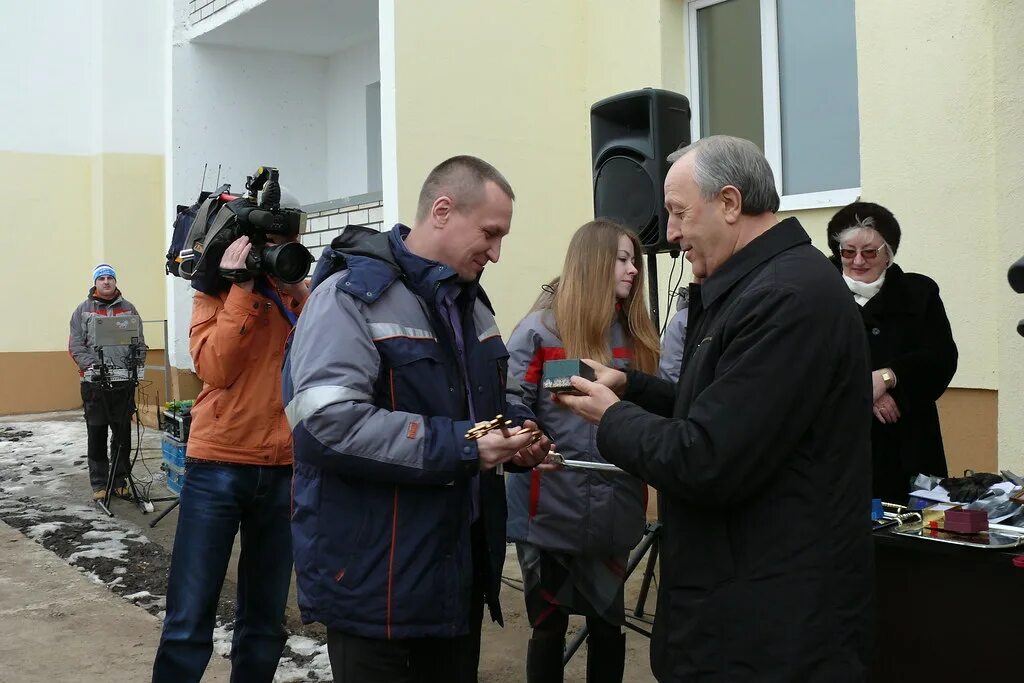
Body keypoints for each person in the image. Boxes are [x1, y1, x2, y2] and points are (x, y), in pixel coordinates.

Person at [555, 136, 874, 681]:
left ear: (729, 203)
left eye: (679, 213)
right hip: (745, 606)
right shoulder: (755, 287)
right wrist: (631, 386)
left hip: (768, 627)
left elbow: (706, 456)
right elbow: (722, 407)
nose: (671, 233)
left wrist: (611, 415)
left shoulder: (784, 299)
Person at [283, 155, 552, 683]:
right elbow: (325, 424)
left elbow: (488, 404)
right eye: (491, 234)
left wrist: (515, 431)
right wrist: (468, 445)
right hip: (376, 583)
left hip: (455, 576)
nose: (497, 253)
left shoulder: (474, 307)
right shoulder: (349, 298)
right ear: (443, 211)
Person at [505, 220, 661, 683]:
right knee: (547, 630)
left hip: (615, 511)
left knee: (608, 628)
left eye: (635, 260)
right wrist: (525, 432)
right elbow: (511, 398)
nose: (634, 270)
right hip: (547, 511)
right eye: (623, 259)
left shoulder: (638, 336)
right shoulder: (539, 330)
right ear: (592, 262)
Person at [152, 233, 310, 682]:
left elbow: (328, 351)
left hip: (284, 468)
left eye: (288, 240)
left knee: (264, 621)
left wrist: (299, 289)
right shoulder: (214, 292)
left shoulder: (304, 298)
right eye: (269, 242)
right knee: (189, 616)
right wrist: (242, 289)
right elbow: (215, 368)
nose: (276, 251)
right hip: (218, 464)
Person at [827, 202, 958, 502]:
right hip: (839, 450)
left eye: (869, 252)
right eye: (848, 252)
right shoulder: (817, 294)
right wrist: (865, 388)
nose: (858, 261)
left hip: (907, 446)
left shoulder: (919, 293)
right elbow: (803, 362)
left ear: (888, 254)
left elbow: (941, 358)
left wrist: (889, 377)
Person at [68, 264, 146, 501]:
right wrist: (93, 366)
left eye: (110, 277)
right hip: (95, 384)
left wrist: (136, 363)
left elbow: (140, 342)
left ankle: (119, 481)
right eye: (101, 278)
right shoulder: (82, 310)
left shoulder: (129, 309)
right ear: (95, 282)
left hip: (123, 383)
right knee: (97, 432)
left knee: (122, 434)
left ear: (115, 281)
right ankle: (100, 484)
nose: (106, 282)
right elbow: (76, 346)